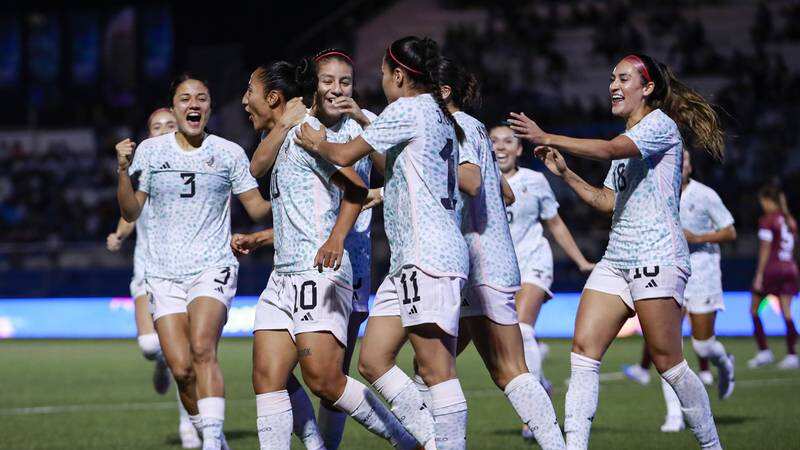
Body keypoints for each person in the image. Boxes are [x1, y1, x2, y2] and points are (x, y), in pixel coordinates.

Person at [511, 53, 725, 449]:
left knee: (668, 364)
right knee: (583, 352)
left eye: (623, 78)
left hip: (656, 256)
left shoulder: (658, 126)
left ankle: (712, 445)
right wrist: (566, 173)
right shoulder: (628, 141)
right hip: (617, 257)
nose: (613, 84)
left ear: (647, 89)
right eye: (612, 77)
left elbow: (610, 150)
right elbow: (607, 200)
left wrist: (547, 137)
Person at [295, 36, 470, 450]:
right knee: (373, 361)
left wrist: (314, 141)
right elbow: (391, 163)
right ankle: (428, 439)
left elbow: (342, 154)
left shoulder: (408, 108)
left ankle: (448, 444)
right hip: (409, 258)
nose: (381, 83)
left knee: (435, 367)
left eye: (382, 75)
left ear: (399, 75)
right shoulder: (437, 113)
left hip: (429, 252)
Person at [240, 56, 418, 450]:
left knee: (325, 380)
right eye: (328, 81)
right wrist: (266, 237)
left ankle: (412, 441)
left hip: (325, 270)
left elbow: (367, 184)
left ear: (271, 97)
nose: (242, 101)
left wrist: (337, 238)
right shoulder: (294, 132)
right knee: (268, 378)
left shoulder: (319, 132)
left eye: (248, 91)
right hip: (286, 272)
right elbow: (263, 174)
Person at [115, 74, 272, 450]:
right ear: (174, 108)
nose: (194, 104)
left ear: (211, 108)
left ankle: (213, 441)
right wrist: (122, 170)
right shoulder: (151, 153)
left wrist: (299, 195)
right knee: (182, 370)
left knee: (203, 349)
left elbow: (257, 208)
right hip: (163, 274)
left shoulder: (229, 153)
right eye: (185, 99)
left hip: (212, 266)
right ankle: (207, 432)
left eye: (202, 98)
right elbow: (131, 210)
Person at [441, 58, 566, 449]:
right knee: (445, 366)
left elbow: (475, 182)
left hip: (482, 262)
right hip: (477, 260)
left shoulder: (456, 129)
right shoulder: (470, 132)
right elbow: (504, 193)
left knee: (421, 365)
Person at [106, 107, 201, 448]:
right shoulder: (145, 165)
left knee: (186, 357)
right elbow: (133, 211)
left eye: (169, 125)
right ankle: (160, 362)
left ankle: (188, 424)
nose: (163, 130)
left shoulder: (195, 163)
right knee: (150, 346)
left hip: (189, 272)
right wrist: (119, 234)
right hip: (149, 270)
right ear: (147, 133)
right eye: (156, 126)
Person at [629, 147, 737, 432]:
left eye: (684, 160)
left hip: (702, 272)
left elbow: (730, 231)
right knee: (667, 345)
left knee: (702, 345)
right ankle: (675, 415)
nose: (679, 164)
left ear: (688, 165)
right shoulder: (654, 193)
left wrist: (698, 237)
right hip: (669, 272)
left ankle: (724, 363)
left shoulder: (704, 195)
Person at [490, 123, 594, 403]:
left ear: (519, 148)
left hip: (534, 260)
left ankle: (535, 404)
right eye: (494, 141)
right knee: (508, 339)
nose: (500, 146)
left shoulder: (535, 181)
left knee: (522, 329)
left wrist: (581, 261)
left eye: (508, 141)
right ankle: (543, 383)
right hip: (497, 269)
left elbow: (555, 223)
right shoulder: (477, 180)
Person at [748, 184, 799, 370]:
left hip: (773, 269)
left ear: (768, 201)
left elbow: (765, 248)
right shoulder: (790, 220)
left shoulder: (767, 220)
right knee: (787, 312)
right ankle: (792, 355)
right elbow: (794, 248)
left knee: (753, 309)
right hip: (791, 268)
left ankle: (764, 351)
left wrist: (759, 274)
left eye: (763, 202)